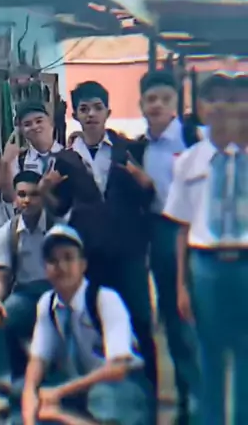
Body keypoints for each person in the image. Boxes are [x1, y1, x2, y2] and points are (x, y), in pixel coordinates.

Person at [43, 81, 157, 397]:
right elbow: (60, 207)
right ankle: (103, 397)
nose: (91, 114)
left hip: (128, 250)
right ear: (76, 115)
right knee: (95, 320)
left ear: (108, 112)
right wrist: (45, 190)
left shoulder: (128, 149)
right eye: (84, 109)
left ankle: (149, 394)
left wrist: (143, 181)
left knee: (140, 319)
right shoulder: (66, 159)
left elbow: (147, 198)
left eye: (97, 108)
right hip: (90, 252)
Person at [164, 71, 248, 425]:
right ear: (200, 108)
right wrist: (181, 285)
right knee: (208, 352)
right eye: (214, 100)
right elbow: (181, 227)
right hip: (206, 266)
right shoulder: (189, 162)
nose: (225, 108)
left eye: (234, 100)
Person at [22, 224, 147, 425]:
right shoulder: (47, 303)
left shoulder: (105, 299)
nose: (61, 267)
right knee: (22, 392)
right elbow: (37, 362)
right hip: (77, 385)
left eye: (68, 258)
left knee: (103, 397)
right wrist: (30, 405)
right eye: (53, 261)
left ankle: (62, 416)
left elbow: (118, 369)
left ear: (83, 265)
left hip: (117, 386)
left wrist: (59, 393)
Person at [138, 70, 200, 419]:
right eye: (151, 99)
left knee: (196, 317)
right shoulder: (141, 148)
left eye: (164, 98)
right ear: (141, 105)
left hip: (195, 233)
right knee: (172, 316)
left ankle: (203, 397)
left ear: (176, 103)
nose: (157, 105)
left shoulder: (193, 140)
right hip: (159, 233)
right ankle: (185, 396)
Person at [0, 170, 53, 416]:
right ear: (15, 199)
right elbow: (2, 275)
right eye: (22, 195)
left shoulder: (56, 226)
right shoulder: (7, 231)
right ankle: (2, 385)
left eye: (34, 194)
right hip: (26, 295)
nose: (27, 200)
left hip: (55, 294)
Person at [0, 101, 63, 202]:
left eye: (39, 121)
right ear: (21, 130)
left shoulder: (68, 156)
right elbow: (10, 197)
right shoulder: (20, 160)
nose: (34, 127)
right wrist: (5, 163)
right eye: (27, 124)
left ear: (51, 123)